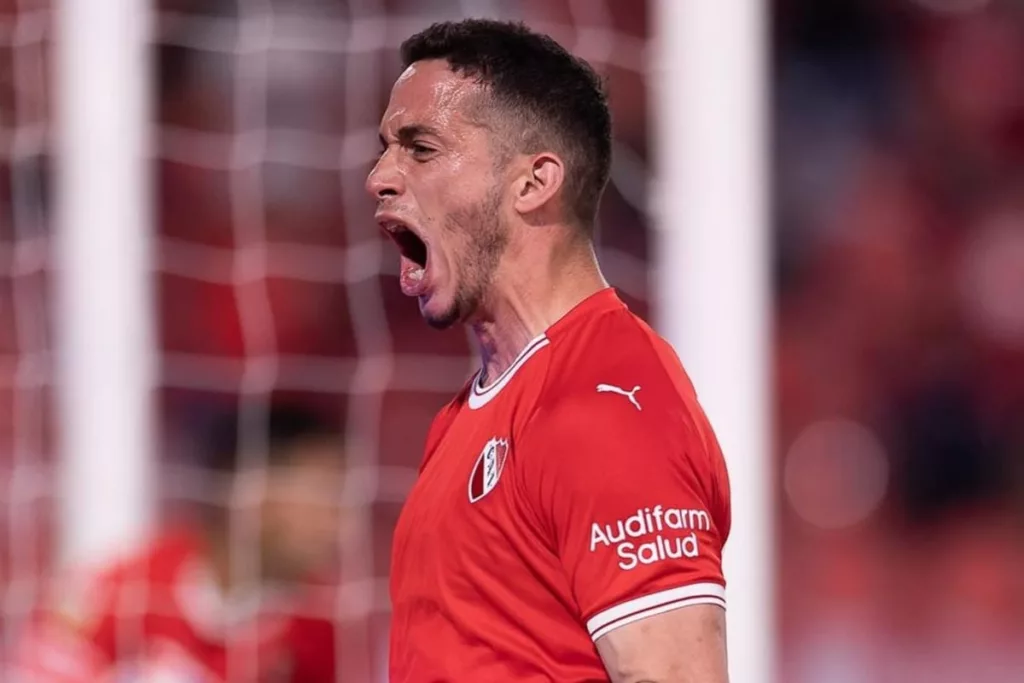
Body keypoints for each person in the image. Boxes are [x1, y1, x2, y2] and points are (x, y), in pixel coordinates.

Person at [367, 18, 732, 683]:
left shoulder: (607, 399)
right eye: (386, 148)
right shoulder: (464, 421)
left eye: (420, 148)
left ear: (534, 184)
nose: (380, 176)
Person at [18, 401, 345, 683]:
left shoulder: (328, 629)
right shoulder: (122, 588)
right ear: (246, 490)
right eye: (321, 492)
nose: (339, 517)